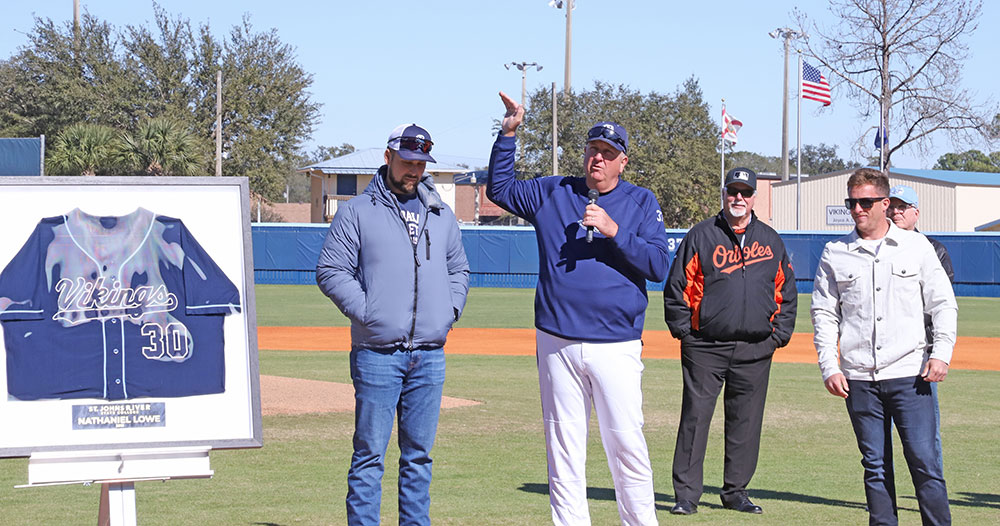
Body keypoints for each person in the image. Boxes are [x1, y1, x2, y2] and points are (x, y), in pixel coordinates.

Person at [487, 91, 669, 526]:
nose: (598, 159)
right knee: (563, 446)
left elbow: (659, 265)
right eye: (593, 150)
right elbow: (499, 189)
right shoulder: (554, 191)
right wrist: (509, 132)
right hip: (557, 340)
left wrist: (614, 231)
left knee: (626, 443)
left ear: (623, 162)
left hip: (616, 343)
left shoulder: (640, 202)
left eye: (609, 153)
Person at [316, 123, 470, 526]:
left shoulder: (440, 212)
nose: (414, 170)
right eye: (407, 161)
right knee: (369, 456)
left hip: (430, 355)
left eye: (421, 163)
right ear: (388, 158)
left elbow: (459, 270)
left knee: (419, 457)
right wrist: (370, 314)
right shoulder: (357, 211)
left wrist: (448, 312)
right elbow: (332, 271)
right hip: (378, 354)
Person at [812, 168, 956, 526]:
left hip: (911, 375)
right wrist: (830, 366)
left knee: (924, 462)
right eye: (852, 203)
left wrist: (941, 353)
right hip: (859, 377)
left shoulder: (916, 247)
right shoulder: (836, 252)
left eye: (866, 202)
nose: (858, 209)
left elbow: (943, 303)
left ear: (885, 203)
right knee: (874, 466)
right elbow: (824, 313)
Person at [662, 167, 797, 516]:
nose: (739, 198)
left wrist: (777, 337)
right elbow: (677, 287)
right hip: (705, 346)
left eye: (745, 192)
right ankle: (686, 496)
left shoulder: (770, 240)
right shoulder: (702, 235)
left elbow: (786, 291)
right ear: (724, 194)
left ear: (754, 197)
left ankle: (735, 492)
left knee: (746, 422)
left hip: (755, 347)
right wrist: (685, 333)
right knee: (695, 418)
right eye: (733, 192)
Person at [887, 185, 954, 283]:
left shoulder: (934, 249)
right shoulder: (877, 245)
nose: (895, 211)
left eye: (902, 207)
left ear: (916, 213)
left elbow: (942, 291)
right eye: (890, 207)